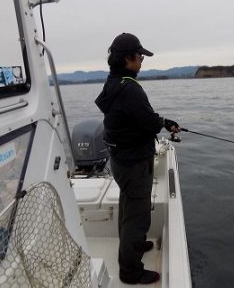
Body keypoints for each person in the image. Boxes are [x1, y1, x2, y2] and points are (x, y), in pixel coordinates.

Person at [95, 33, 180, 284]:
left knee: (128, 205)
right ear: (127, 58)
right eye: (139, 55)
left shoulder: (113, 82)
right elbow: (147, 121)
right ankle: (130, 271)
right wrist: (164, 123)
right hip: (133, 162)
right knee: (137, 214)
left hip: (120, 159)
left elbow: (139, 118)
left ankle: (133, 245)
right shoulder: (130, 88)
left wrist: (161, 122)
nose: (142, 60)